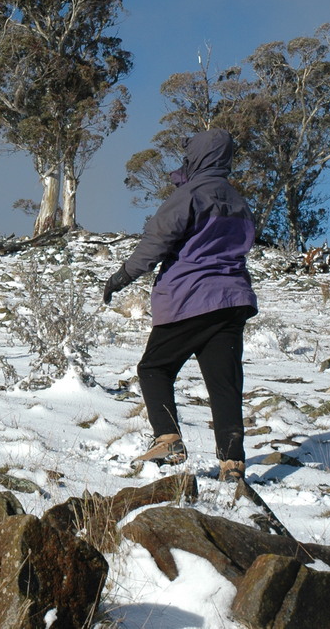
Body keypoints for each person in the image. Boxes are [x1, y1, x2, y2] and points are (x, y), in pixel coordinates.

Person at [101, 128, 258, 482]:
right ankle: (232, 462)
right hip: (233, 300)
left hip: (190, 297)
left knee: (154, 368)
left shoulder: (189, 195)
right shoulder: (239, 201)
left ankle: (168, 439)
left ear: (198, 156)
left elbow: (156, 240)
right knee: (224, 383)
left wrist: (122, 277)